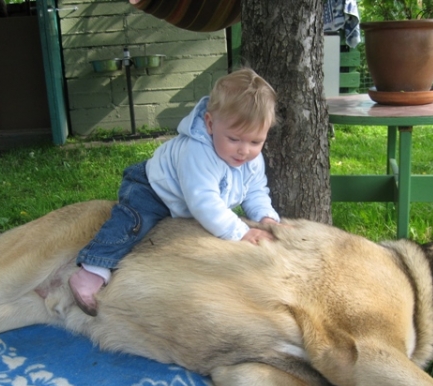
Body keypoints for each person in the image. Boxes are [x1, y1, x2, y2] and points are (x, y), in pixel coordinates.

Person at [70, 67, 281, 316]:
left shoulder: (250, 160)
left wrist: (267, 218)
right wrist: (240, 232)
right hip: (153, 189)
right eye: (234, 139)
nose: (244, 150)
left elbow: (255, 190)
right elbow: (203, 202)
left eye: (256, 142)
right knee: (135, 222)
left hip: (185, 199)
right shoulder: (198, 152)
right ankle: (92, 268)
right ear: (210, 123)